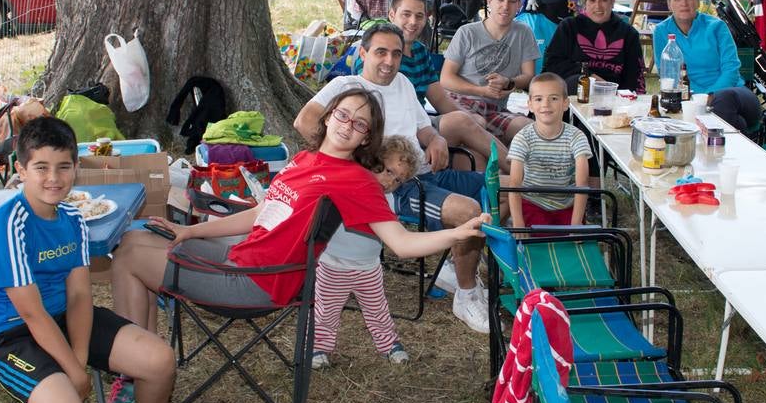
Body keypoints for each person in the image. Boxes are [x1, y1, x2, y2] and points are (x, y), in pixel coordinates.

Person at [110, 87, 487, 356]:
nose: (348, 125)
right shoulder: (303, 161)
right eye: (343, 114)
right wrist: (189, 230)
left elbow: (401, 243)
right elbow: (261, 214)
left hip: (257, 283)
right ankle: (145, 353)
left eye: (360, 124)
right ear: (328, 116)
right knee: (135, 236)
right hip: (240, 260)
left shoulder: (355, 180)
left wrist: (458, 232)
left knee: (128, 258)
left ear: (366, 138)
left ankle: (136, 367)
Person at [0, 117, 203, 403]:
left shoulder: (74, 218)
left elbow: (80, 295)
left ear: (75, 168)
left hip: (63, 318)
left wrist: (78, 359)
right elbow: (30, 312)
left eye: (63, 166)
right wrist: (74, 370)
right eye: (41, 167)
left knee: (158, 360)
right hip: (11, 333)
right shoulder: (9, 225)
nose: (54, 178)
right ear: (20, 170)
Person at [297, 24, 490, 333]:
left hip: (426, 171)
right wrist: (351, 169)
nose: (389, 61)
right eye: (380, 52)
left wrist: (437, 140)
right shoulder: (347, 86)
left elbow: (423, 128)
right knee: (469, 211)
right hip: (395, 186)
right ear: (362, 53)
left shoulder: (402, 82)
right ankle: (466, 296)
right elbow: (304, 121)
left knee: (501, 189)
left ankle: (454, 265)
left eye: (396, 54)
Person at [311, 136, 422, 368]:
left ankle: (389, 344)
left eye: (398, 179)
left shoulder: (388, 200)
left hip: (368, 267)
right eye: (388, 171)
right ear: (373, 162)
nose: (390, 181)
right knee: (326, 312)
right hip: (333, 264)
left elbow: (391, 234)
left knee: (378, 311)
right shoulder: (349, 186)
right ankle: (318, 347)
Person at [362, 0, 500, 171]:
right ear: (392, 14)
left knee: (476, 156)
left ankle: (502, 190)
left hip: (421, 122)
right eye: (406, 15)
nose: (413, 22)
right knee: (462, 122)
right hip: (395, 132)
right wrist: (465, 120)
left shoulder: (420, 51)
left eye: (419, 16)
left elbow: (440, 99)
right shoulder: (378, 57)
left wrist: (471, 118)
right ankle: (518, 171)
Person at [652, 0, 762, 131]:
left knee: (724, 101)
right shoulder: (661, 31)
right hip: (689, 100)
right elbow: (667, 73)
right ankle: (729, 145)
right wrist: (695, 99)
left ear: (697, 2)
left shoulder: (716, 27)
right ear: (669, 4)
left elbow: (731, 69)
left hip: (732, 92)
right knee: (734, 122)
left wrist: (710, 96)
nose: (684, 3)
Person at [439, 0, 539, 142]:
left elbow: (529, 77)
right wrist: (481, 91)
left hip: (495, 109)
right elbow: (445, 78)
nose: (505, 6)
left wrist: (508, 81)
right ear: (490, 0)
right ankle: (505, 168)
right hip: (460, 102)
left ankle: (504, 165)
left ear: (519, 5)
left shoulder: (524, 33)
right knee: (476, 123)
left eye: (512, 1)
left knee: (529, 130)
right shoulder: (467, 32)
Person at [505, 73, 591, 228]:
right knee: (541, 242)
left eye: (553, 98)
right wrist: (518, 222)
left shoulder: (577, 137)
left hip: (567, 205)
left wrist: (576, 223)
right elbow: (514, 183)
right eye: (539, 99)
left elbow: (582, 182)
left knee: (569, 244)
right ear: (530, 104)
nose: (546, 104)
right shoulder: (522, 138)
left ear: (565, 103)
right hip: (534, 202)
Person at [542, 0, 645, 93]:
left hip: (613, 98)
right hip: (573, 95)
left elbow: (635, 77)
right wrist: (590, 77)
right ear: (585, 3)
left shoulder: (629, 34)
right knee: (582, 83)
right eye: (592, 0)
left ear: (612, 1)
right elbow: (553, 65)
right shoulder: (569, 27)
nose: (598, 6)